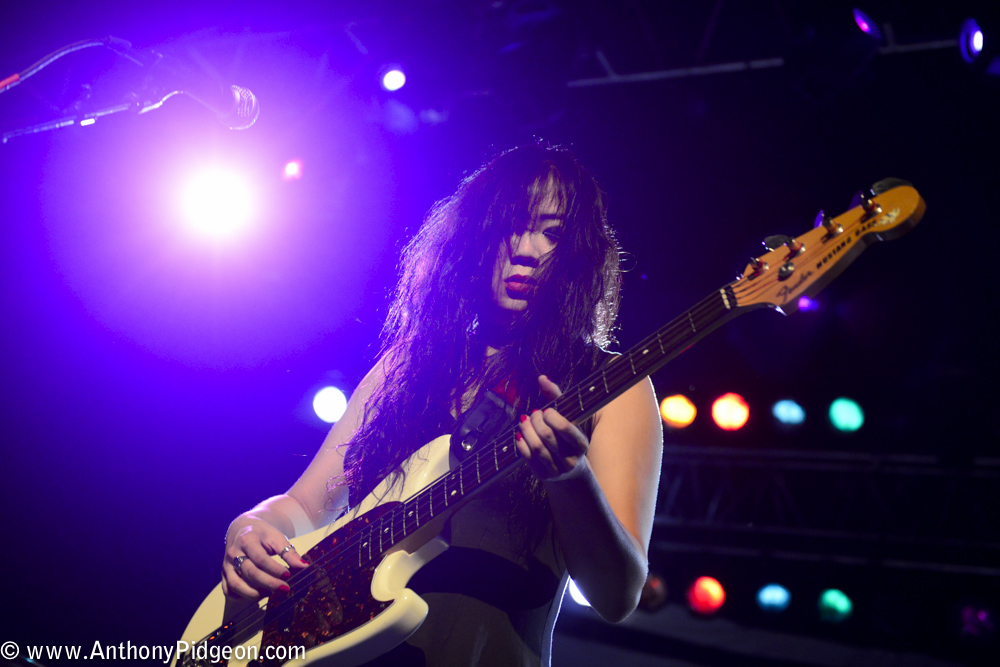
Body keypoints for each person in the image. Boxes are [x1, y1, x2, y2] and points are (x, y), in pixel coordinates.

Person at [221, 143, 663, 666]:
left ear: (578, 254)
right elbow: (303, 506)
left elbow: (617, 596)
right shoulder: (406, 367)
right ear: (474, 239)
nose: (526, 249)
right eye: (509, 226)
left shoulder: (612, 385)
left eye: (552, 233)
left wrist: (571, 478)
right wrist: (249, 528)